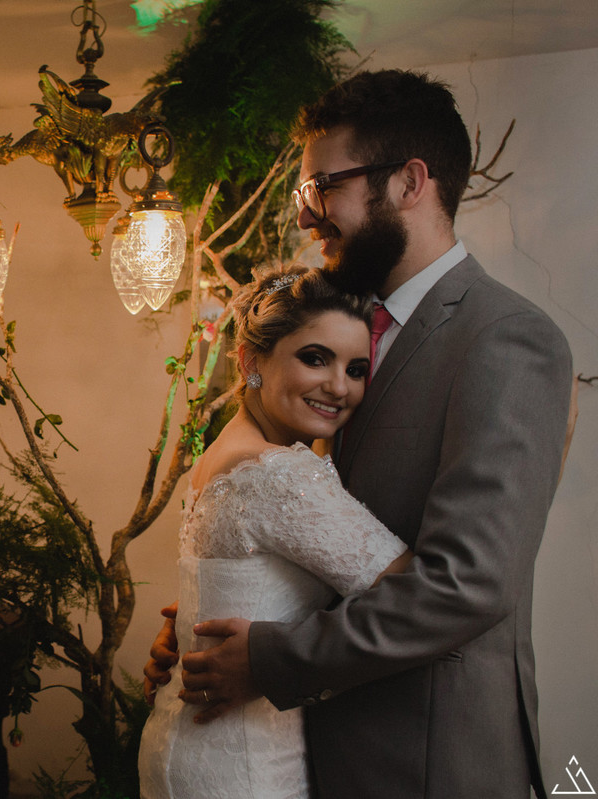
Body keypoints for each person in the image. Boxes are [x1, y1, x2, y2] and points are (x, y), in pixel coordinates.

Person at [143, 69, 573, 798]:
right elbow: (306, 525)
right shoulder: (340, 334)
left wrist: (270, 658)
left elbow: (468, 584)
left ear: (409, 182)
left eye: (322, 188)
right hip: (311, 749)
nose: (307, 217)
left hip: (429, 756)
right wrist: (214, 625)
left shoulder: (507, 339)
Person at [138, 264, 411, 798]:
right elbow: (413, 594)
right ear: (251, 360)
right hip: (245, 767)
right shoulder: (280, 474)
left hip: (187, 747)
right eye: (315, 358)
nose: (339, 387)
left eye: (356, 368)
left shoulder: (226, 451)